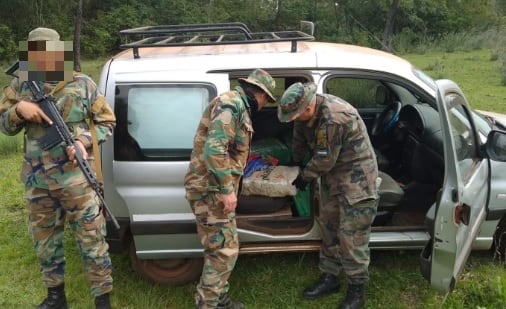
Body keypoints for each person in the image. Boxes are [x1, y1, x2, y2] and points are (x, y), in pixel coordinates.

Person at [0, 27, 116, 309]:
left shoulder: (82, 84)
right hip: (38, 181)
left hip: (77, 181)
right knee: (45, 242)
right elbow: (4, 125)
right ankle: (55, 297)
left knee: (92, 241)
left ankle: (102, 300)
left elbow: (107, 121)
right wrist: (18, 111)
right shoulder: (20, 86)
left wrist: (83, 140)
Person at [277, 82, 379, 309]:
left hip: (357, 181)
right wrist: (294, 161)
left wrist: (304, 177)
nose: (294, 120)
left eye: (295, 115)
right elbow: (300, 139)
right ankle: (330, 278)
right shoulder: (304, 117)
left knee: (352, 236)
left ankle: (356, 290)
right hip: (333, 178)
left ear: (308, 108)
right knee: (330, 227)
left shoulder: (335, 118)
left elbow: (324, 159)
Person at [184, 68, 276, 309]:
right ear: (260, 94)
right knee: (224, 251)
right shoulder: (231, 106)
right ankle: (208, 303)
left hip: (210, 189)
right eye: (267, 100)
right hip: (211, 191)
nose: (265, 105)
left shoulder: (236, 105)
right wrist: (226, 190)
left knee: (218, 247)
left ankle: (219, 297)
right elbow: (214, 150)